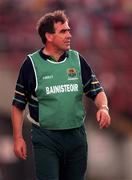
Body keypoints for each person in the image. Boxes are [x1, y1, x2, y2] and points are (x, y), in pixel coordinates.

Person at [11, 10, 111, 180]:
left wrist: (103, 107)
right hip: (46, 138)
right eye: (63, 31)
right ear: (49, 36)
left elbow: (97, 91)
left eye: (69, 30)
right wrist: (18, 138)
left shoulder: (77, 60)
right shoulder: (31, 65)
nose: (69, 35)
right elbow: (18, 105)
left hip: (76, 136)